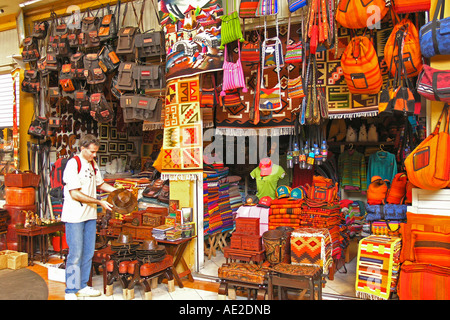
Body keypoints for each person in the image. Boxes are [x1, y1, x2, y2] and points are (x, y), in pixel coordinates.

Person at [61, 134, 117, 300]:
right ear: (82, 148)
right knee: (75, 254)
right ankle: (70, 290)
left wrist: (119, 191)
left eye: (96, 152)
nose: (94, 155)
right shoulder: (73, 164)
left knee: (87, 253)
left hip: (90, 216)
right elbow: (75, 194)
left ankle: (83, 285)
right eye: (92, 152)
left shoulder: (93, 164)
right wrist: (99, 202)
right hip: (75, 217)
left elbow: (100, 184)